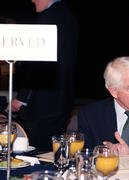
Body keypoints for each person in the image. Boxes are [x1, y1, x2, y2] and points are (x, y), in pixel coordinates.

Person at [11, 0, 79, 151]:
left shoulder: (48, 18)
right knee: (51, 153)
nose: (32, 0)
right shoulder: (68, 17)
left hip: (43, 104)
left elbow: (38, 62)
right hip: (62, 101)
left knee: (33, 154)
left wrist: (22, 97)